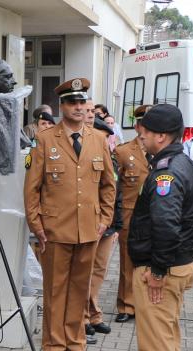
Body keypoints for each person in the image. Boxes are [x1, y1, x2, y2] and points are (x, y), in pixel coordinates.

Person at [23, 78, 116, 351]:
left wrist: (104, 219)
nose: (77, 107)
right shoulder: (46, 139)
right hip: (54, 229)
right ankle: (53, 344)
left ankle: (75, 344)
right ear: (62, 106)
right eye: (72, 102)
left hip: (89, 229)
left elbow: (108, 186)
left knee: (79, 288)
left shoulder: (98, 139)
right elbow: (32, 189)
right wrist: (36, 225)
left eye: (81, 102)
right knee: (55, 288)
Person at [122, 104, 193, 351]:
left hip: (163, 272)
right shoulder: (185, 163)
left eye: (144, 130)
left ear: (160, 135)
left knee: (156, 343)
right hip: (180, 267)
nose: (139, 135)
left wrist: (156, 272)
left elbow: (167, 226)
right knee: (167, 339)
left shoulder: (166, 172)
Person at [83, 118, 123, 338]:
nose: (108, 141)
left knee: (99, 272)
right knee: (85, 273)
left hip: (108, 226)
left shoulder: (112, 159)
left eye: (108, 137)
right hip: (91, 223)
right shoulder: (86, 158)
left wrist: (116, 225)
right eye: (104, 137)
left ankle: (93, 313)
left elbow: (117, 192)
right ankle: (86, 317)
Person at [114, 105, 151, 323]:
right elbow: (113, 186)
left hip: (154, 215)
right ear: (137, 125)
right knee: (127, 261)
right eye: (144, 123)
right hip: (130, 213)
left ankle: (146, 306)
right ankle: (127, 305)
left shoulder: (161, 151)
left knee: (151, 261)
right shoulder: (123, 151)